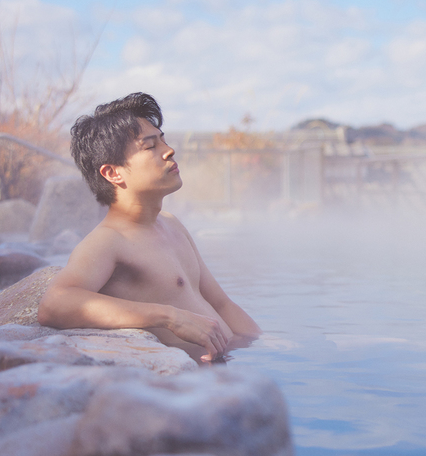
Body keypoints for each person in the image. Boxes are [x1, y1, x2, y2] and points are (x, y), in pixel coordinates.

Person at [38, 92, 261, 363]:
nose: (169, 150)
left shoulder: (170, 224)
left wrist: (268, 346)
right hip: (184, 385)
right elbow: (54, 304)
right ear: (113, 173)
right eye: (150, 146)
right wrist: (169, 317)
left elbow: (221, 304)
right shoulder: (108, 241)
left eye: (163, 139)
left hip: (227, 370)